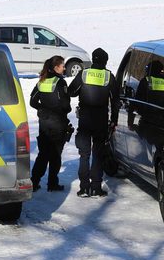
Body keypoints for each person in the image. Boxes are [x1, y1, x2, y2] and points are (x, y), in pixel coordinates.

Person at [67, 47, 120, 197]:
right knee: (98, 154)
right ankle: (96, 187)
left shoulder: (84, 74)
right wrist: (114, 120)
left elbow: (71, 92)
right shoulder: (109, 76)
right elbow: (115, 101)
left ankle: (84, 188)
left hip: (85, 120)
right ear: (105, 61)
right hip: (101, 120)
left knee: (84, 154)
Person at [29, 56, 74, 192]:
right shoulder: (60, 82)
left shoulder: (41, 81)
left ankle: (34, 182)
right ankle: (52, 184)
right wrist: (62, 111)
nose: (64, 68)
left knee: (43, 154)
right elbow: (66, 105)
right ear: (56, 68)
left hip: (44, 124)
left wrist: (43, 109)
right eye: (63, 66)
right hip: (58, 123)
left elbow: (33, 102)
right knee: (55, 155)